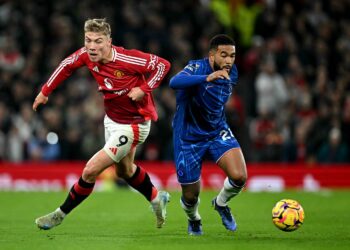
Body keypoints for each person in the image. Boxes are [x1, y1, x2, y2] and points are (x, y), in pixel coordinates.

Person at [33, 18, 171, 230]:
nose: (92, 46)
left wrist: (145, 88)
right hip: (112, 120)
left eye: (98, 41)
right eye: (88, 40)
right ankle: (156, 197)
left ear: (109, 42)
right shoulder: (86, 55)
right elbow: (66, 66)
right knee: (124, 171)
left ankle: (59, 214)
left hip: (134, 125)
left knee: (90, 170)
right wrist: (44, 92)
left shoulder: (128, 58)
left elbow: (163, 65)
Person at [169, 34, 247, 235]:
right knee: (191, 196)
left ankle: (220, 204)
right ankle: (194, 219)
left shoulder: (233, 72)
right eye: (224, 55)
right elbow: (174, 82)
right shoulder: (197, 67)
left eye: (232, 55)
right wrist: (207, 77)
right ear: (211, 56)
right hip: (188, 136)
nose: (229, 60)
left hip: (216, 131)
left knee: (239, 177)